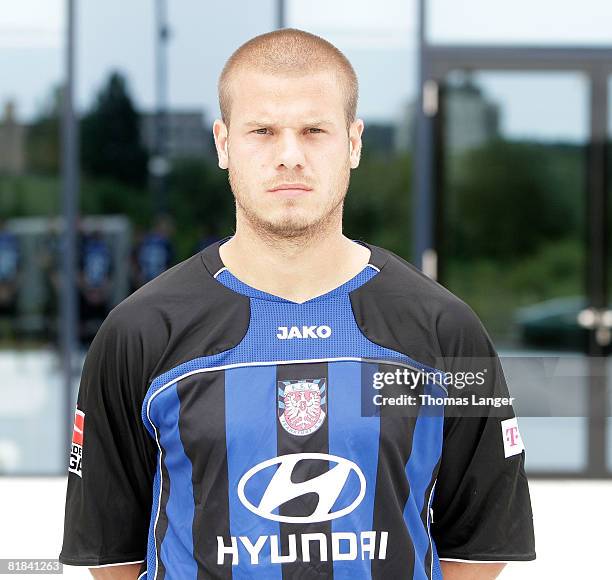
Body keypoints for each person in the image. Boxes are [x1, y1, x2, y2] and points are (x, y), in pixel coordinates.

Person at [59, 28, 535, 579]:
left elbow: (480, 546)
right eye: (262, 131)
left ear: (353, 143)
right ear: (223, 143)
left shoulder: (445, 330)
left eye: (314, 130)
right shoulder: (139, 331)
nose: (289, 156)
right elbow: (112, 555)